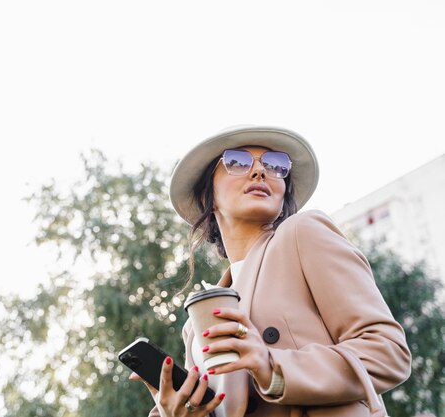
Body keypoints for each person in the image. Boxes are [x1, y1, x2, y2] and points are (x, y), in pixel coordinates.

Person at [130, 125, 411, 417]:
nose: (259, 172)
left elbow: (388, 352)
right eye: (236, 162)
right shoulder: (197, 321)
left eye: (275, 165)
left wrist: (272, 367)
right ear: (207, 197)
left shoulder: (303, 234)